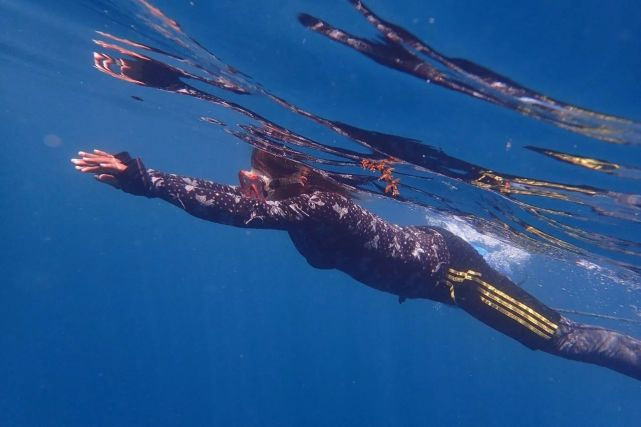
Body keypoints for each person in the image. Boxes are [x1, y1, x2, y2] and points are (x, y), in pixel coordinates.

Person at [71, 148, 641, 381]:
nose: (244, 183)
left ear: (291, 182)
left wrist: (144, 179)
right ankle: (503, 250)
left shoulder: (319, 205)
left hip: (455, 275)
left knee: (554, 338)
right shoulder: (295, 205)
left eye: (256, 178)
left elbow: (231, 211)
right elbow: (236, 203)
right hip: (426, 253)